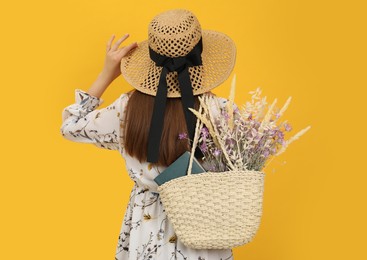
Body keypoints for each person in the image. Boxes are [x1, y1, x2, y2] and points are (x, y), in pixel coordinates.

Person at [60, 9, 236, 260]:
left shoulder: (125, 110)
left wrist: (106, 74)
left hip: (146, 225)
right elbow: (242, 169)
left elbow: (71, 125)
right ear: (200, 56)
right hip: (204, 222)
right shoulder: (220, 111)